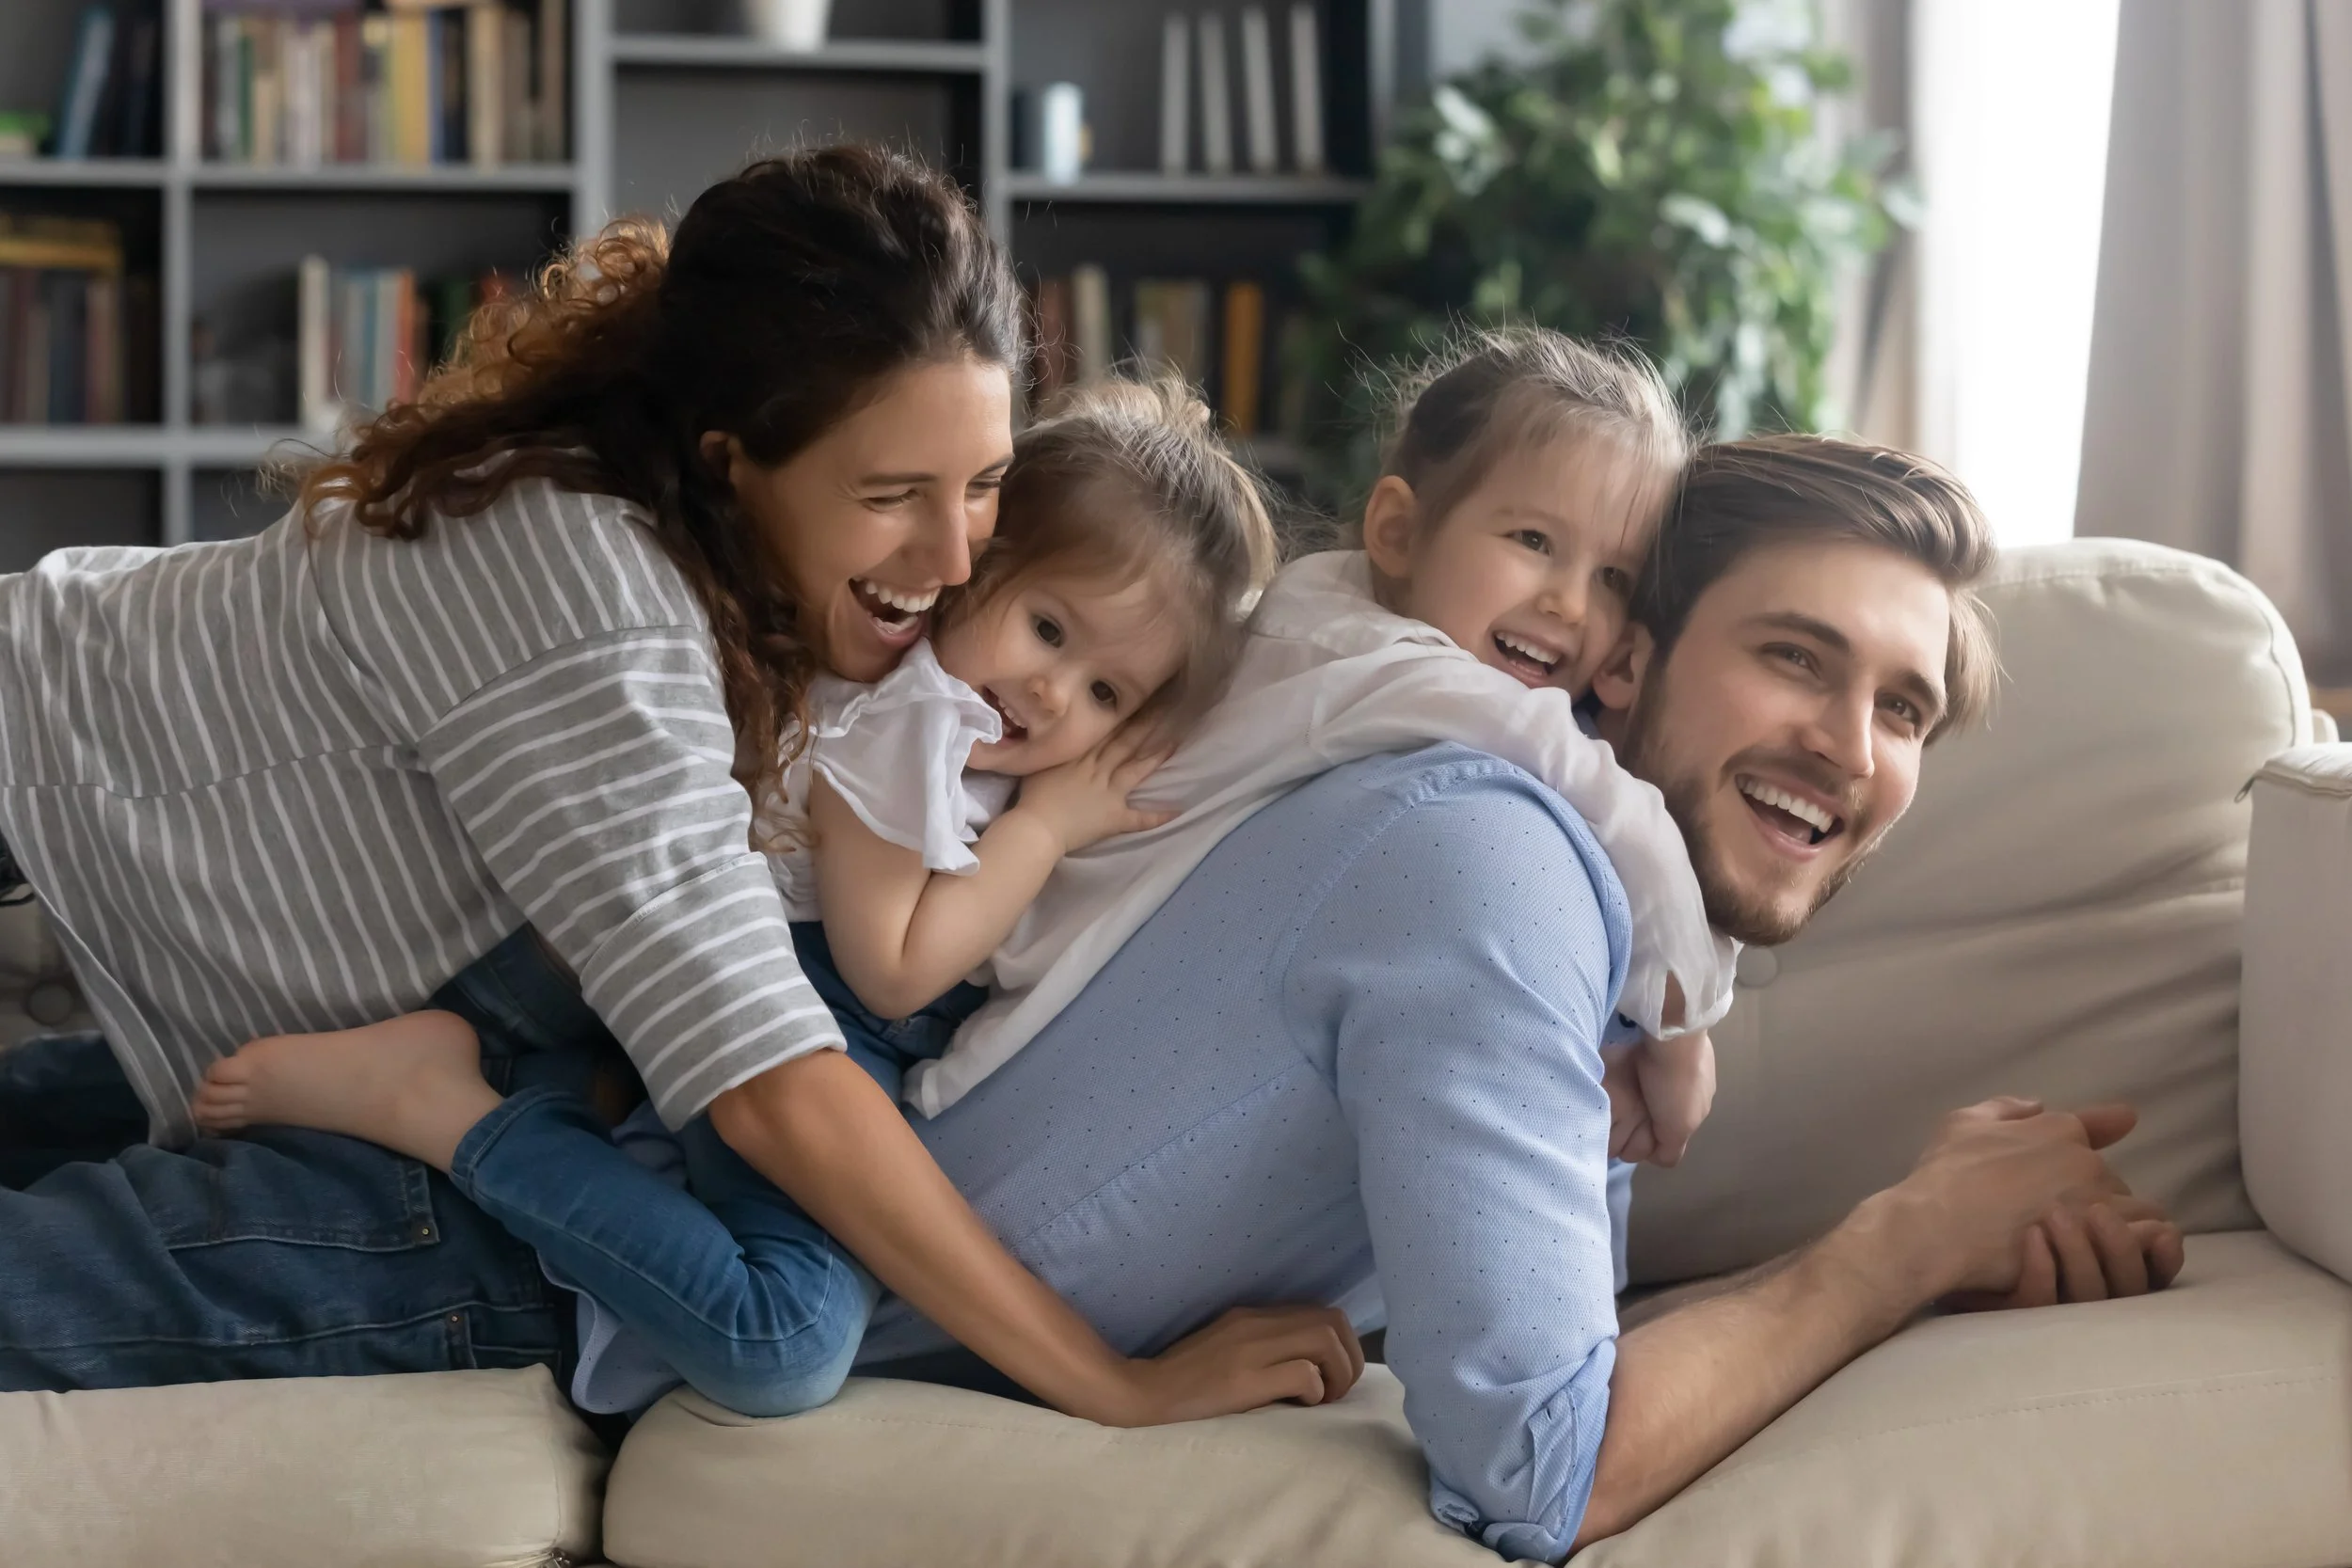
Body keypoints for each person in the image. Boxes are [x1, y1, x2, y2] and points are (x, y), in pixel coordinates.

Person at [0, 148, 1353, 1421]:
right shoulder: (593, 595)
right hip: (40, 828)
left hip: (142, 950)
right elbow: (761, 1069)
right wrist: (1114, 1381)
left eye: (987, 483)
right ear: (730, 458)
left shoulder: (802, 622)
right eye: (895, 493)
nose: (953, 557)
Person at [848, 434, 2185, 1560]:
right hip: (856, 1336)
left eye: (1904, 708)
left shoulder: (1575, 912)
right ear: (1620, 659)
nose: (1848, 745)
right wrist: (1906, 1240)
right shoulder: (1493, 869)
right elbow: (1548, 1465)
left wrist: (1947, 1239)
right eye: (1794, 656)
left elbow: (1575, 1353)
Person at [186, 378, 1294, 1420]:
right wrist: (1046, 830)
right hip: (802, 1021)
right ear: (974, 560)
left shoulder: (969, 735)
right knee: (784, 1335)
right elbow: (890, 966)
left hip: (773, 1026)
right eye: (1048, 628)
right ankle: (451, 1112)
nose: (1054, 693)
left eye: (1107, 692)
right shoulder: (907, 725)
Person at [918, 329, 1737, 1175]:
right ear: (1397, 530)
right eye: (1533, 540)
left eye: (1614, 579)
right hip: (1021, 1054)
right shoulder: (1372, 661)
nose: (1567, 603)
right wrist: (1683, 1023)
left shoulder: (1326, 620)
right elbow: (1589, 782)